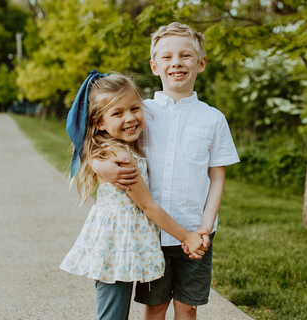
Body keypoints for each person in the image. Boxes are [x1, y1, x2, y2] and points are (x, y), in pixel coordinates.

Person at [90, 22, 240, 320]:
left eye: (186, 55)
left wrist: (204, 229)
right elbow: (101, 139)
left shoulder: (213, 119)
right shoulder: (140, 112)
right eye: (167, 57)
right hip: (151, 234)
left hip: (196, 232)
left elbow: (217, 177)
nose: (177, 63)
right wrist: (99, 165)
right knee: (155, 307)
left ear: (201, 62)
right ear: (154, 65)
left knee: (187, 308)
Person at [59, 70, 210, 320]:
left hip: (121, 241)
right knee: (113, 315)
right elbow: (148, 206)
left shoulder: (113, 149)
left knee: (113, 312)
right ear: (99, 122)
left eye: (134, 109)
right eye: (117, 113)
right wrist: (187, 236)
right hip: (118, 243)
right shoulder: (121, 157)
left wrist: (95, 163)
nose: (129, 118)